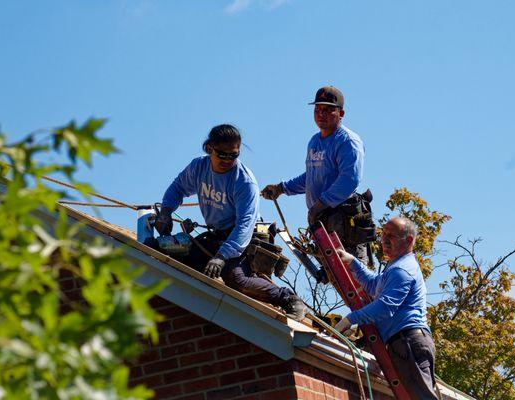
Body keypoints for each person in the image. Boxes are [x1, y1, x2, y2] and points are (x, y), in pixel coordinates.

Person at [155, 124, 307, 321]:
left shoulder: (244, 182)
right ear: (209, 148)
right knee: (170, 253)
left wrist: (222, 256)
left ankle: (288, 299)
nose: (228, 160)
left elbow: (245, 225)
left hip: (243, 240)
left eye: (233, 155)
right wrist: (166, 212)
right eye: (222, 154)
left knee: (235, 279)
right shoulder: (198, 167)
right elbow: (177, 188)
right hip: (217, 236)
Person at [261, 86, 373, 264]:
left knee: (354, 279)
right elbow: (312, 176)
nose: (321, 114)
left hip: (344, 221)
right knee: (334, 275)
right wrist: (281, 188)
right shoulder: (315, 141)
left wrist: (320, 205)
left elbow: (349, 179)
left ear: (341, 113)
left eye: (328, 110)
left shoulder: (347, 141)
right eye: (318, 109)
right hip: (322, 221)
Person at [334, 217, 439, 400]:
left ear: (409, 241)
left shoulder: (402, 270)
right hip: (406, 342)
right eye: (383, 235)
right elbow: (374, 285)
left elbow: (385, 307)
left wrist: (350, 319)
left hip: (408, 342)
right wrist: (353, 263)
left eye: (391, 236)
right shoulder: (394, 267)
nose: (384, 240)